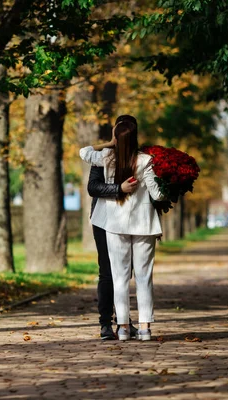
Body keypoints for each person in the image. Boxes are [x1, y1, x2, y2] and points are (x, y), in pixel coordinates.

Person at [80, 119, 164, 341]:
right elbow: (158, 195)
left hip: (115, 224)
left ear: (116, 137)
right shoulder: (147, 161)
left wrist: (108, 144)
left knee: (119, 277)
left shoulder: (106, 157)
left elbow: (84, 151)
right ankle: (144, 328)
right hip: (142, 224)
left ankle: (124, 328)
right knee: (143, 277)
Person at [87, 115, 139, 341]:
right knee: (108, 272)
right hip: (104, 220)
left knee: (125, 272)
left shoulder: (141, 157)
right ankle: (105, 324)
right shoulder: (104, 156)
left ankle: (125, 322)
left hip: (132, 220)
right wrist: (119, 188)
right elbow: (93, 187)